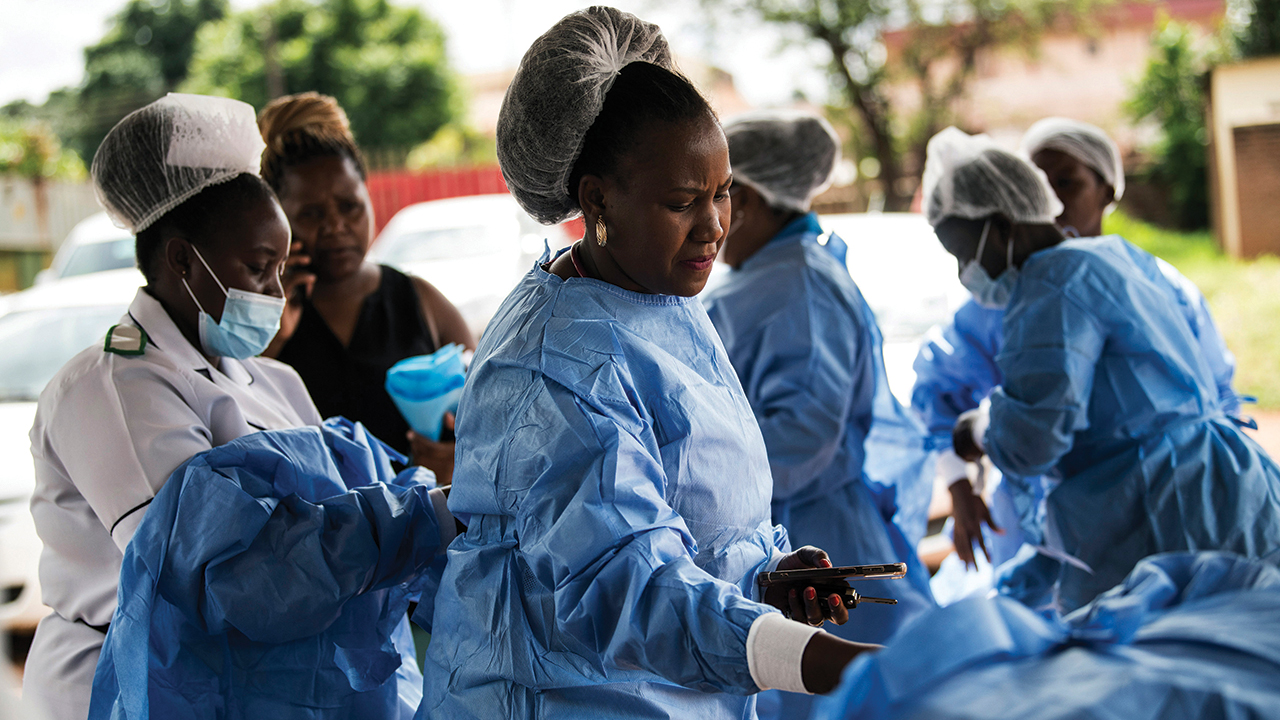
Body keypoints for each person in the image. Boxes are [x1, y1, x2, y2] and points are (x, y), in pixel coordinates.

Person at [419, 9, 878, 719]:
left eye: (724, 193)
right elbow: (624, 585)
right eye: (682, 202)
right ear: (597, 198)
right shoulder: (554, 367)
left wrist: (761, 576)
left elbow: (682, 518)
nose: (716, 225)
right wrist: (848, 668)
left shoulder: (659, 300)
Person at [23, 93, 324, 720]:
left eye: (281, 268)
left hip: (235, 679)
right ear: (183, 259)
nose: (276, 292)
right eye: (259, 267)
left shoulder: (276, 383)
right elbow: (203, 571)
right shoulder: (110, 389)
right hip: (120, 684)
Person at [922, 126, 1280, 612]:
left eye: (964, 252)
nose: (966, 270)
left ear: (1002, 225)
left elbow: (1032, 442)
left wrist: (977, 429)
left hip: (1163, 506)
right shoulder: (1113, 257)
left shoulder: (1048, 284)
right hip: (1217, 489)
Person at [701, 109, 935, 719]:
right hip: (786, 524)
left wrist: (697, 477)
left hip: (816, 532)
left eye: (718, 198)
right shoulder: (773, 275)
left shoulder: (799, 284)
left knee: (841, 699)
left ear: (746, 197)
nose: (710, 225)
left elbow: (803, 436)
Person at [258, 93, 474, 482]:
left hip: (432, 528)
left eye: (349, 206)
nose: (335, 226)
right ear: (279, 218)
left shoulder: (420, 301)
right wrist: (272, 333)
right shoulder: (264, 321)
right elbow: (245, 426)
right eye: (311, 213)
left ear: (367, 197)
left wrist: (458, 464)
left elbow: (499, 423)